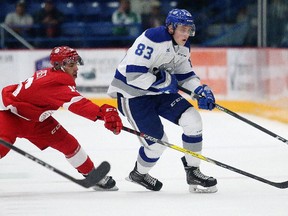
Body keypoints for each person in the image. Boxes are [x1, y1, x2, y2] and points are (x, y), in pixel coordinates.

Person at [108, 9, 217, 193]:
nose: (186, 34)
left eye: (189, 29)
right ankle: (139, 174)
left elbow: (184, 75)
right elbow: (134, 76)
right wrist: (166, 82)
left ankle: (193, 171)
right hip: (133, 95)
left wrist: (198, 89)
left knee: (193, 120)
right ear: (170, 27)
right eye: (182, 29)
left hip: (158, 91)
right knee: (157, 145)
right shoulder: (153, 38)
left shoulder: (183, 46)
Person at [0, 46, 123, 191]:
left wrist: (104, 114)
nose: (76, 68)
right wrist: (104, 113)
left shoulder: (51, 74)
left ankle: (92, 175)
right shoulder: (55, 83)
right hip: (12, 120)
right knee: (2, 147)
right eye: (71, 65)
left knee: (69, 144)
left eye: (76, 63)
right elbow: (79, 105)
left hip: (38, 122)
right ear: (58, 66)